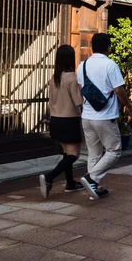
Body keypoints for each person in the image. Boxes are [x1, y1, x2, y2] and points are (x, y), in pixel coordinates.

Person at [77, 33, 132, 200]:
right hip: (104, 116)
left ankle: (94, 189)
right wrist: (129, 105)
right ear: (108, 48)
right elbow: (119, 90)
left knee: (94, 153)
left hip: (87, 116)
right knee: (114, 150)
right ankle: (91, 179)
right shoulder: (110, 65)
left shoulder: (82, 66)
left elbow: (82, 89)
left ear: (92, 47)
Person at [39, 45, 85, 199]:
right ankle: (49, 177)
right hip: (69, 119)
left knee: (67, 153)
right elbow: (78, 101)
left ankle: (70, 183)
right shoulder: (72, 77)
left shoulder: (54, 78)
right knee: (74, 154)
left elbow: (51, 101)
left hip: (56, 120)